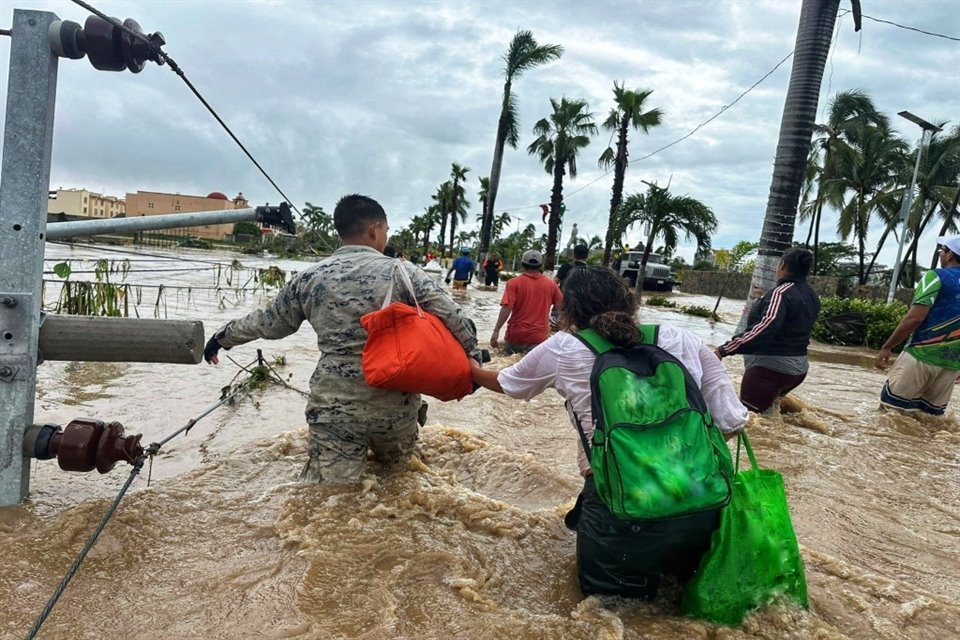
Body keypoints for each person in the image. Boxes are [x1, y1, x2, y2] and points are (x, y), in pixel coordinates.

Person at [471, 266, 747, 598]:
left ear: (568, 310)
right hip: (700, 504)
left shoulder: (563, 347)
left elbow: (507, 383)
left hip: (619, 512)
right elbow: (731, 422)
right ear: (630, 302)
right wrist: (671, 460)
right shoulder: (683, 339)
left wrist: (467, 369)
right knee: (682, 607)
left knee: (608, 616)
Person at [203, 194, 481, 483]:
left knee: (332, 496)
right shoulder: (404, 273)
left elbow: (270, 324)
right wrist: (472, 360)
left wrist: (223, 337)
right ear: (375, 229)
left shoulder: (308, 278)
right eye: (386, 230)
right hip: (394, 404)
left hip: (334, 407)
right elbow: (458, 321)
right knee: (400, 483)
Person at [716, 248, 820, 413]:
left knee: (746, 420)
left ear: (782, 265)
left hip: (769, 370)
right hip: (798, 369)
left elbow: (765, 327)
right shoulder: (811, 295)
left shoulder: (780, 293)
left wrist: (723, 350)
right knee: (769, 417)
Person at [876, 235, 960, 415]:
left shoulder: (936, 277)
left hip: (920, 355)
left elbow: (914, 319)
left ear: (950, 254)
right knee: (928, 422)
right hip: (951, 364)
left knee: (889, 414)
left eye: (942, 250)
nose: (940, 254)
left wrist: (887, 346)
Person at [491, 250, 563, 354]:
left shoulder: (513, 283)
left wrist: (496, 330)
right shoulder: (551, 285)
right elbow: (563, 308)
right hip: (539, 338)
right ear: (540, 266)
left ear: (523, 265)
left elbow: (506, 308)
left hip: (516, 335)